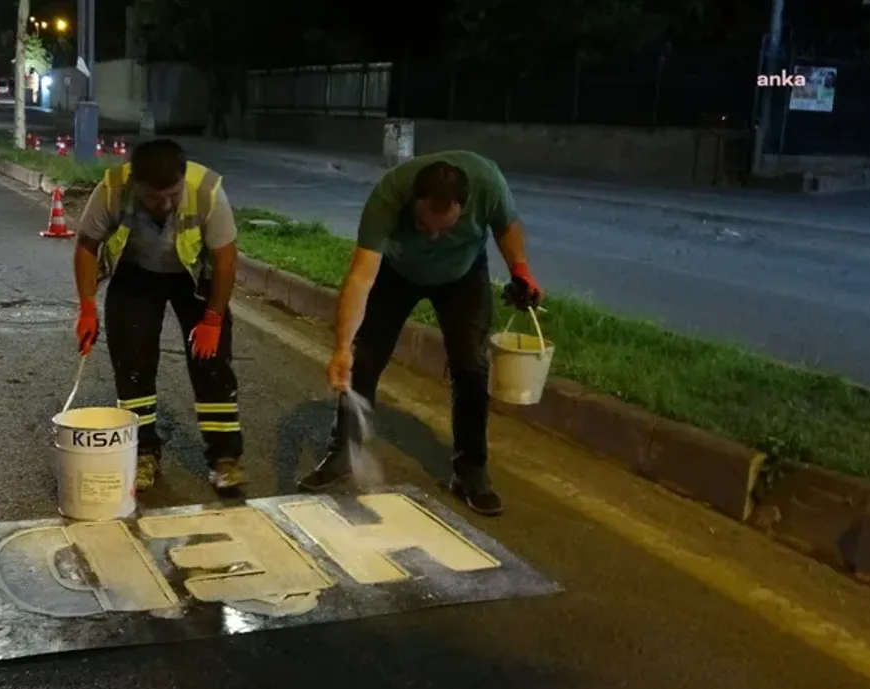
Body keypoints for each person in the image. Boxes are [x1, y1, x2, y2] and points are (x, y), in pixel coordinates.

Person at [299, 151, 543, 516]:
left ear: (464, 206)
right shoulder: (389, 195)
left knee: (471, 366)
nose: (432, 236)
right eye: (423, 224)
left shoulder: (488, 184)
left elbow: (506, 226)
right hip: (398, 272)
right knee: (364, 359)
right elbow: (361, 278)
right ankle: (344, 453)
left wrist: (520, 270)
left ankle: (471, 471)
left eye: (444, 229)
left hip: (462, 275)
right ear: (413, 200)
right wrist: (341, 348)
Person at [71, 139, 246, 491]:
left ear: (183, 178)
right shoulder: (112, 190)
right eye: (153, 197)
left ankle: (225, 458)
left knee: (211, 362)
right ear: (136, 184)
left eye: (173, 195)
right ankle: (143, 453)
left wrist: (212, 320)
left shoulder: (207, 192)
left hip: (194, 277)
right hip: (136, 272)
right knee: (132, 361)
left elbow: (226, 261)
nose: (165, 204)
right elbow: (87, 245)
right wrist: (87, 308)